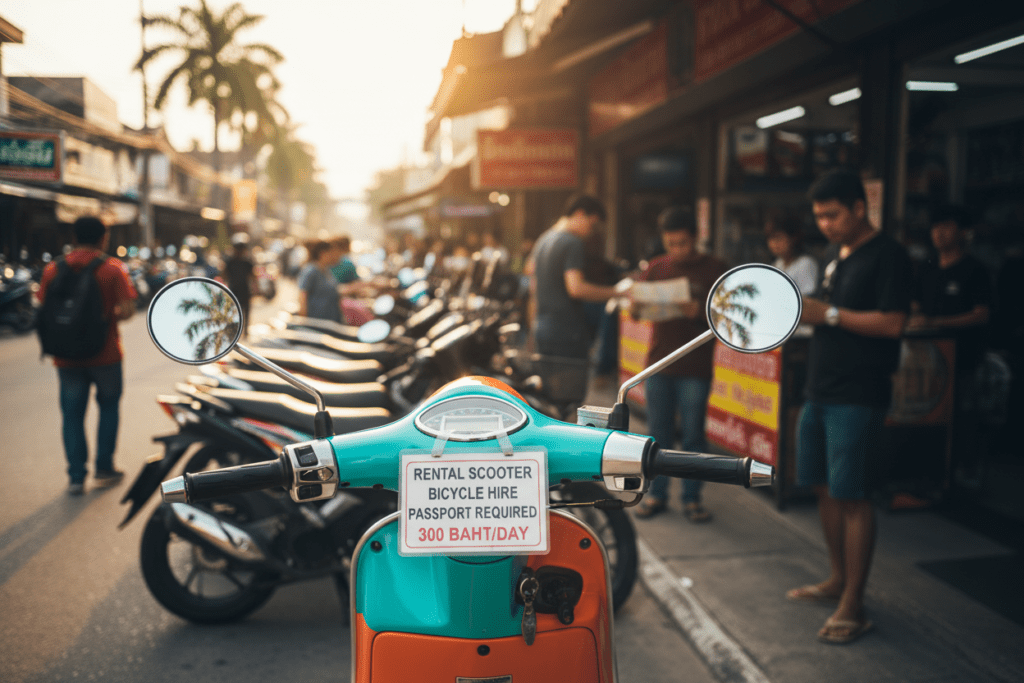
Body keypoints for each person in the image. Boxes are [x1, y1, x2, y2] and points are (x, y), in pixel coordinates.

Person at [788, 168, 911, 645]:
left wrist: (831, 314)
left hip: (858, 394)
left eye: (833, 214)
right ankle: (838, 578)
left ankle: (854, 604)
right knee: (822, 487)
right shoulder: (834, 254)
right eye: (819, 217)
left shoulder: (890, 256)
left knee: (853, 495)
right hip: (820, 389)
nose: (825, 224)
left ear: (860, 208)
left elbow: (893, 324)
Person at [631, 206, 728, 522]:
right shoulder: (657, 267)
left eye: (682, 243)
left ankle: (692, 498)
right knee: (657, 435)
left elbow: (726, 316)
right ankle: (657, 495)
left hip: (695, 368)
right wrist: (637, 305)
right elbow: (635, 311)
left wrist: (698, 311)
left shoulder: (715, 269)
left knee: (692, 436)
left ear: (696, 238)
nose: (677, 251)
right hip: (659, 364)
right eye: (671, 244)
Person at [38, 216, 137, 495]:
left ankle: (76, 477)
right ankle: (104, 467)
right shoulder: (112, 269)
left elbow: (46, 307)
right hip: (106, 355)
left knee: (71, 415)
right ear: (103, 238)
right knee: (108, 408)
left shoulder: (52, 269)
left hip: (66, 357)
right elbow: (128, 310)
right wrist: (105, 318)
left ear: (74, 236)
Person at [906, 204, 992, 485]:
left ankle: (963, 475)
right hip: (927, 360)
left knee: (963, 417)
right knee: (927, 416)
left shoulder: (976, 270)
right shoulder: (928, 267)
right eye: (935, 227)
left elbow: (982, 314)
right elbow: (915, 301)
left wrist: (938, 323)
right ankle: (930, 473)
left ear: (963, 232)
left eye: (946, 226)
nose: (938, 233)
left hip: (964, 358)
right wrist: (918, 316)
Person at [526, 194, 622, 359]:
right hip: (567, 333)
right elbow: (576, 288)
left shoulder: (544, 239)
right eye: (592, 225)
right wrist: (617, 292)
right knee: (570, 383)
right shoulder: (572, 242)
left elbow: (532, 285)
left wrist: (533, 330)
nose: (591, 232)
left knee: (549, 384)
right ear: (579, 214)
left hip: (542, 329)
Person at [766, 217, 818, 295]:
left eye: (778, 238)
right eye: (771, 238)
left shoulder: (805, 263)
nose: (774, 243)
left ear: (793, 238)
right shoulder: (777, 264)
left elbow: (808, 298)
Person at [297, 238, 343, 323]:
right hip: (316, 322)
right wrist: (304, 322)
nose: (335, 256)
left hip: (329, 320)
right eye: (331, 253)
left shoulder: (326, 270)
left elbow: (336, 289)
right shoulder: (310, 271)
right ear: (323, 254)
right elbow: (302, 296)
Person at [223, 233, 255, 338]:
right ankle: (235, 331)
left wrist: (255, 289)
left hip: (243, 290)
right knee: (233, 312)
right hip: (234, 290)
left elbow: (253, 277)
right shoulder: (230, 261)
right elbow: (224, 275)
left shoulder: (247, 262)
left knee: (244, 312)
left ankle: (245, 331)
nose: (240, 250)